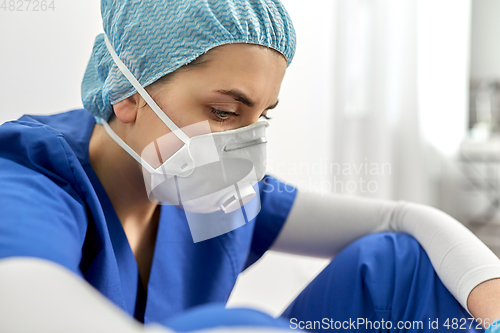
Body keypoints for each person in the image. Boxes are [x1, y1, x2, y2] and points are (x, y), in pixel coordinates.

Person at [1, 0, 500, 332]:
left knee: (400, 265)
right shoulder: (32, 177)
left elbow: (401, 220)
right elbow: (20, 296)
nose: (245, 145)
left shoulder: (207, 187)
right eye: (223, 112)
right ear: (128, 91)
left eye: (262, 117)